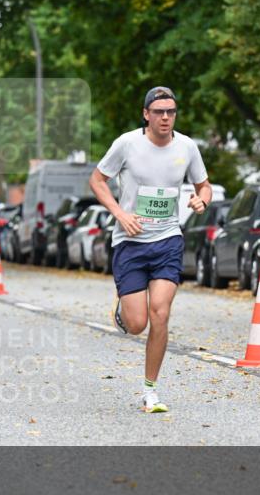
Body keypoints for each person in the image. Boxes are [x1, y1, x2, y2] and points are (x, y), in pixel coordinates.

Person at [89, 86, 212, 414]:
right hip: (130, 242)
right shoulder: (127, 144)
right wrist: (120, 214)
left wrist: (202, 200)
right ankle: (124, 310)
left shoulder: (187, 147)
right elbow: (97, 180)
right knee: (137, 324)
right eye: (159, 112)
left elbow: (204, 185)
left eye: (170, 112)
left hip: (168, 240)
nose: (165, 117)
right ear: (146, 114)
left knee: (161, 313)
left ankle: (150, 390)